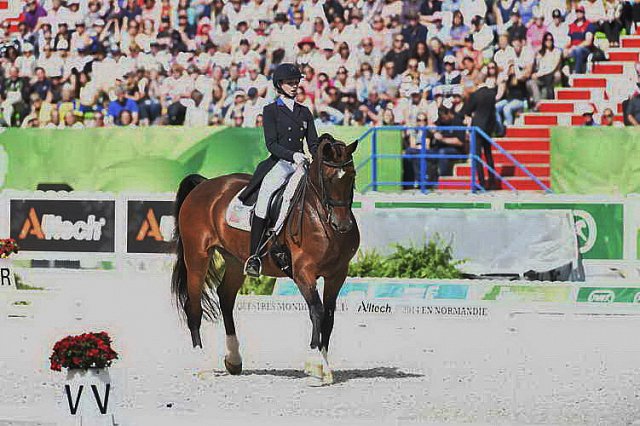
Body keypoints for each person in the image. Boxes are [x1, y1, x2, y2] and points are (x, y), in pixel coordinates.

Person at [238, 63, 319, 277]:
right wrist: (293, 155)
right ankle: (254, 256)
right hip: (280, 163)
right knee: (265, 197)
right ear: (279, 85)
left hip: (301, 165)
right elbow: (271, 144)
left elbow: (313, 143)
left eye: (296, 83)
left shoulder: (304, 112)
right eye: (290, 83)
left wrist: (318, 156)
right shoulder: (270, 110)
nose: (294, 87)